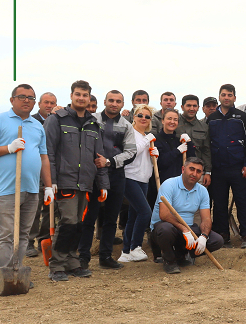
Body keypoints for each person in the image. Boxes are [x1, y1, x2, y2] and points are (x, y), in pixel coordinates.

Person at [0, 84, 53, 293]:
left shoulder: (37, 126)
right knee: (7, 233)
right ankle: (0, 276)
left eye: (31, 98)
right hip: (7, 188)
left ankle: (16, 271)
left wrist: (48, 186)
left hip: (32, 188)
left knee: (23, 234)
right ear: (12, 99)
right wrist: (8, 148)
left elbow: (44, 157)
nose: (27, 100)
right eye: (22, 96)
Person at [44, 80, 109, 281]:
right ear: (71, 95)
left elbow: (99, 157)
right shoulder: (57, 120)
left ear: (89, 98)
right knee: (68, 222)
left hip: (86, 183)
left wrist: (103, 184)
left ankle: (73, 262)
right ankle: (57, 265)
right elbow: (48, 152)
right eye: (78, 94)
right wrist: (51, 181)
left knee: (79, 223)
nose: (81, 98)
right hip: (65, 181)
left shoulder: (94, 124)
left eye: (85, 95)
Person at [79, 90, 138, 270]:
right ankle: (82, 257)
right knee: (89, 217)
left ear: (122, 104)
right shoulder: (92, 120)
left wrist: (109, 161)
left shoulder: (127, 126)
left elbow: (131, 152)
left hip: (116, 174)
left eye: (118, 101)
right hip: (92, 175)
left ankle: (105, 256)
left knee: (111, 218)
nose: (114, 104)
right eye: (111, 100)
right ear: (104, 101)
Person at [149, 158, 223, 274]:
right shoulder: (169, 184)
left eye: (198, 171)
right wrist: (184, 229)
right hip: (166, 227)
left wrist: (204, 237)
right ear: (183, 169)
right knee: (165, 230)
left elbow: (206, 219)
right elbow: (164, 215)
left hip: (188, 228)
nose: (194, 174)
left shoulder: (202, 191)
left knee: (217, 240)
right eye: (191, 169)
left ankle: (181, 255)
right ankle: (169, 260)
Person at [206, 84, 246, 247]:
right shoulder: (212, 119)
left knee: (242, 202)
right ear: (219, 97)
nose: (226, 97)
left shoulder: (243, 117)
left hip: (238, 168)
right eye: (223, 95)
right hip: (218, 169)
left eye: (229, 95)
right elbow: (207, 145)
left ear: (234, 97)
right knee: (219, 203)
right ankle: (223, 235)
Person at [118, 103, 157, 263]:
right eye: (140, 115)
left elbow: (145, 159)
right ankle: (136, 246)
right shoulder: (130, 132)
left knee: (134, 215)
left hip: (143, 179)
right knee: (145, 212)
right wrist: (147, 140)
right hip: (130, 177)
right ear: (134, 117)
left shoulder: (145, 137)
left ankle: (126, 252)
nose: (143, 118)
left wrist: (154, 154)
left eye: (147, 116)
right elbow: (132, 152)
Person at [26, 91, 58, 257]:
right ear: (39, 104)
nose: (49, 105)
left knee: (49, 207)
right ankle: (28, 241)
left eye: (52, 103)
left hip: (51, 170)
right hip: (34, 170)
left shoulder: (57, 121)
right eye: (46, 102)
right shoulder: (31, 121)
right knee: (34, 207)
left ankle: (44, 239)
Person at [176, 94, 211, 187]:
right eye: (188, 105)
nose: (192, 108)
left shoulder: (204, 127)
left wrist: (208, 172)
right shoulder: (175, 123)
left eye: (194, 106)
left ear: (198, 108)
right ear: (182, 107)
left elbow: (206, 150)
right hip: (177, 171)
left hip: (197, 172)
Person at [154, 108, 196, 182]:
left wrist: (189, 142)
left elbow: (192, 159)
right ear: (163, 121)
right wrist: (177, 151)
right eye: (169, 119)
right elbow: (161, 162)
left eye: (175, 120)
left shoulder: (179, 141)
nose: (172, 122)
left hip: (178, 182)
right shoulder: (156, 139)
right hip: (162, 182)